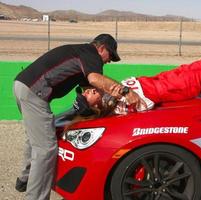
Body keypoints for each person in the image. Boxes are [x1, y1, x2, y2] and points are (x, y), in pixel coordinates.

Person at [13, 33, 145, 200]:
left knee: (34, 137)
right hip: (34, 91)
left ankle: (25, 179)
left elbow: (94, 88)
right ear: (101, 48)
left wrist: (109, 100)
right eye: (110, 55)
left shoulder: (80, 54)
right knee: (46, 148)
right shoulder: (90, 53)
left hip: (22, 85)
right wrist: (126, 92)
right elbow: (96, 79)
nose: (109, 60)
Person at [73, 23, 201, 117]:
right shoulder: (113, 108)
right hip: (172, 89)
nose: (87, 91)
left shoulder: (105, 92)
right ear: (94, 107)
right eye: (87, 97)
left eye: (84, 92)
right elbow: (138, 108)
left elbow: (96, 82)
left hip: (163, 80)